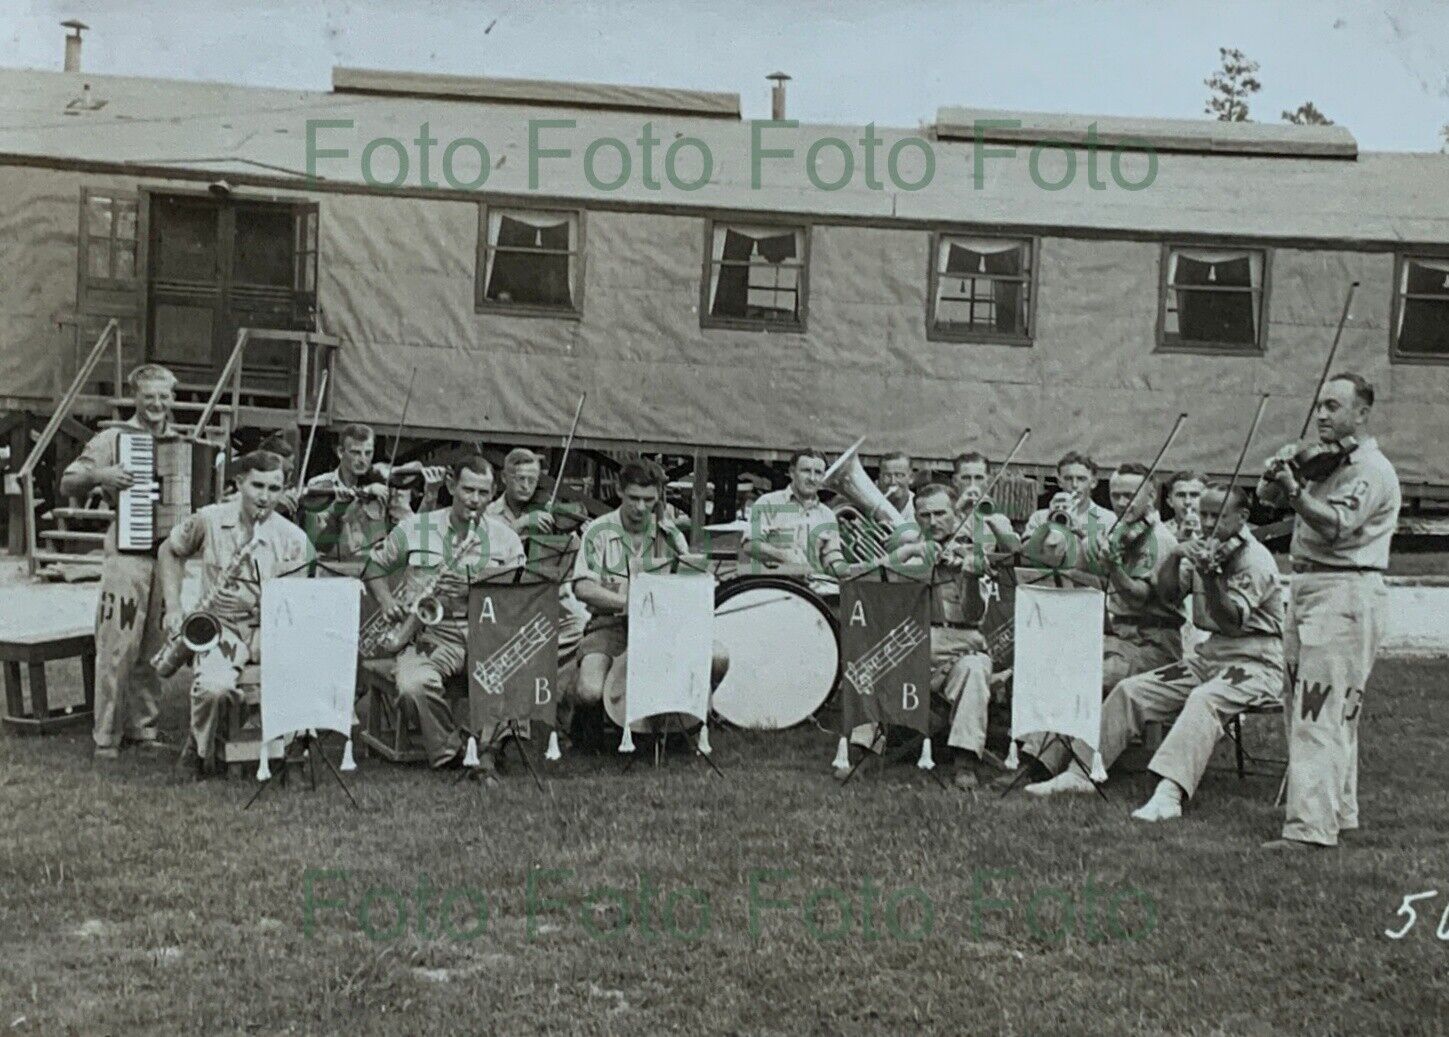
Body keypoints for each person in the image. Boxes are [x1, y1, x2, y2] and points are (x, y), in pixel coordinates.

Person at [1024, 483, 1284, 822]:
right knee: (1132, 690)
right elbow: (1168, 594)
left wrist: (1214, 577)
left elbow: (1232, 621)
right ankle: (1081, 772)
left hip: (1256, 662)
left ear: (1242, 517)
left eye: (1216, 516)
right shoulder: (1208, 547)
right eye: (1203, 514)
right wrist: (1176, 557)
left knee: (1205, 700)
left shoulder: (1254, 559)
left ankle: (1169, 793)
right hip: (1211, 657)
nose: (1206, 523)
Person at [1256, 372, 1400, 852]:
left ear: (1361, 414)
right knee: (1316, 705)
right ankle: (1339, 811)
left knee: (1319, 709)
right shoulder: (1326, 464)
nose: (1322, 414)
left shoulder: (1370, 470)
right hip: (1311, 585)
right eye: (1320, 405)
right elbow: (1267, 502)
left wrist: (1297, 493)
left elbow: (1337, 525)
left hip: (1345, 589)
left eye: (1334, 407)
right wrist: (1277, 477)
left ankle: (1310, 830)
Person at [364, 457, 526, 775]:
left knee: (520, 672)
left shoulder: (505, 538)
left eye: (483, 492)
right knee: (412, 686)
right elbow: (373, 567)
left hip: (488, 630)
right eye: (467, 490)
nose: (474, 500)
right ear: (451, 486)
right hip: (432, 633)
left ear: (493, 492)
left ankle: (490, 746)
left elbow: (521, 592)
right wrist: (384, 601)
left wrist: (474, 585)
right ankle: (453, 749)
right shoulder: (416, 527)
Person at [157, 451, 312, 778]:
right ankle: (197, 748)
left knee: (301, 674)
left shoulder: (295, 539)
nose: (265, 497)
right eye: (257, 486)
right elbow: (169, 551)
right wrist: (173, 606)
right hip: (220, 628)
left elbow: (294, 604)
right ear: (239, 483)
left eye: (275, 488)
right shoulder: (209, 519)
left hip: (268, 631)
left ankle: (290, 755)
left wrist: (261, 608)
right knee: (214, 688)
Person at [59, 363, 182, 760]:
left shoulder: (182, 444)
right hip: (127, 554)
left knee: (155, 645)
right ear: (136, 398)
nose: (158, 404)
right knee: (117, 644)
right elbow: (68, 481)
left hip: (167, 556)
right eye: (150, 396)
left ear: (173, 399)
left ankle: (142, 729)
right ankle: (106, 735)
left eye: (164, 396)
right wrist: (103, 476)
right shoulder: (114, 438)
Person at [573, 460, 730, 713]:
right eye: (633, 498)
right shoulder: (598, 530)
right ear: (619, 491)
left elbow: (690, 581)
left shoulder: (669, 533)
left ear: (658, 496)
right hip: (610, 626)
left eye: (648, 500)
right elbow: (582, 588)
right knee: (589, 691)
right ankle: (592, 723)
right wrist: (630, 604)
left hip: (662, 627)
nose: (640, 507)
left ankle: (694, 714)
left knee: (718, 657)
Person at [911, 484, 1000, 789]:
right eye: (925, 515)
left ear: (955, 514)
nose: (933, 521)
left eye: (940, 513)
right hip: (915, 643)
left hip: (961, 645)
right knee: (870, 648)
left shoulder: (971, 551)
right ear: (915, 517)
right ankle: (862, 746)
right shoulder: (908, 546)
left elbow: (974, 613)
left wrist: (971, 577)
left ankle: (965, 759)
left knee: (974, 669)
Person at [1095, 463, 1183, 694]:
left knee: (1090, 677)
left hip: (1152, 644)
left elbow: (1138, 598)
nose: (1123, 503)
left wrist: (1114, 568)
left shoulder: (1159, 539)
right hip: (1121, 639)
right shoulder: (1121, 532)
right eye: (1116, 496)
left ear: (1152, 495)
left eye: (1130, 495)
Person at [305, 424, 442, 561]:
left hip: (373, 571)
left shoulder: (386, 484)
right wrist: (358, 495)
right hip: (332, 569)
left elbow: (414, 531)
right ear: (341, 452)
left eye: (368, 453)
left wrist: (431, 493)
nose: (363, 460)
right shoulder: (321, 485)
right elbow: (320, 543)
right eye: (356, 452)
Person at [739, 449, 848, 577]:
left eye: (818, 473)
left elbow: (831, 558)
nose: (812, 478)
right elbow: (750, 545)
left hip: (812, 591)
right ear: (792, 473)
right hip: (772, 587)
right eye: (806, 471)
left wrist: (854, 569)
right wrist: (784, 556)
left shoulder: (827, 515)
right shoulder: (767, 503)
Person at [1022, 451, 1117, 568]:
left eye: (1081, 479)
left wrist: (1079, 532)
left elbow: (1107, 563)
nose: (1075, 485)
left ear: (1093, 483)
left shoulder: (1108, 518)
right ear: (1059, 482)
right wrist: (1048, 525)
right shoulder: (1040, 516)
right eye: (1068, 479)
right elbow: (1025, 553)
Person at [950, 451, 1022, 554]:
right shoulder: (941, 510)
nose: (972, 484)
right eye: (966, 478)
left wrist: (989, 520)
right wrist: (956, 510)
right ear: (955, 481)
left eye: (979, 478)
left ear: (988, 481)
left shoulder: (997, 517)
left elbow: (1015, 550)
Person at [1164, 470, 1206, 542]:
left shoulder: (1216, 532)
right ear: (1170, 501)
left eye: (1194, 495)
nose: (1187, 502)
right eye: (1181, 495)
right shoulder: (1160, 531)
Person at [876, 451, 916, 516]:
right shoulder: (872, 505)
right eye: (887, 475)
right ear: (880, 477)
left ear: (911, 478)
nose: (893, 481)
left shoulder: (919, 507)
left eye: (899, 475)